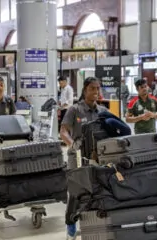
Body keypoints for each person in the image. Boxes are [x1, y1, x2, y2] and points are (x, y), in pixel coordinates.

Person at [60, 77, 108, 240]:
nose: (96, 92)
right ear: (85, 90)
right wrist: (72, 144)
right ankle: (71, 224)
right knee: (76, 192)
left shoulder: (102, 111)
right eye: (92, 89)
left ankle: (96, 223)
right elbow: (64, 131)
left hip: (98, 157)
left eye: (98, 89)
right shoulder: (75, 110)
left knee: (99, 190)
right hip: (78, 158)